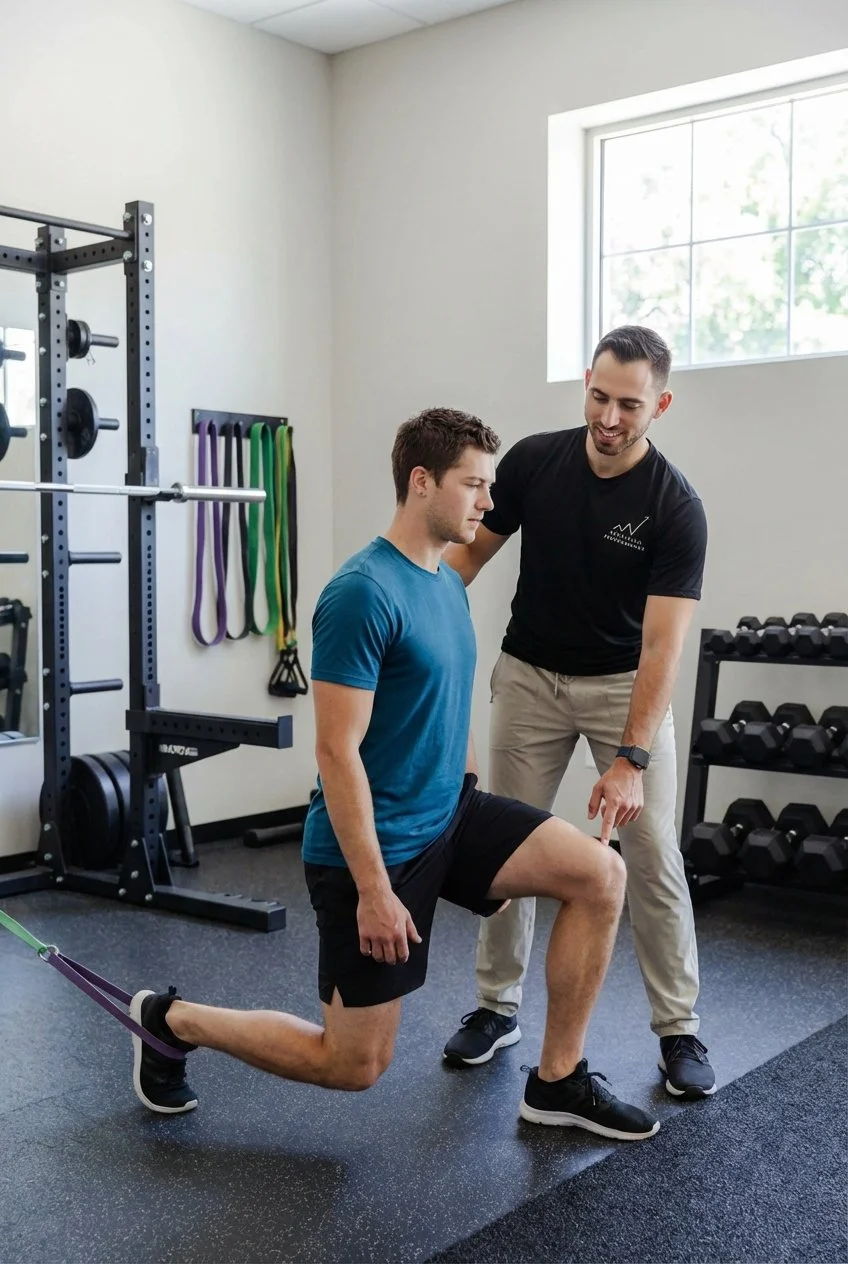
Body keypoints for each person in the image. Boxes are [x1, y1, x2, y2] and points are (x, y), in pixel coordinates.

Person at [130, 406, 660, 1141]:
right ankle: (171, 1020)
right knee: (353, 1064)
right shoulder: (361, 593)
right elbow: (335, 753)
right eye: (474, 485)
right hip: (375, 850)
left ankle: (557, 1082)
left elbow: (448, 707)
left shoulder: (445, 582)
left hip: (451, 816)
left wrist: (483, 834)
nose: (489, 502)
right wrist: (376, 892)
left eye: (489, 485)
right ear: (421, 482)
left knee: (600, 876)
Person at [442, 327, 716, 1100]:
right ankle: (497, 1006)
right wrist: (405, 616)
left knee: (651, 851)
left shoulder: (674, 506)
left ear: (660, 405)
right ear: (585, 386)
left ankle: (678, 1027)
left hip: (624, 687)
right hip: (529, 678)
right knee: (503, 840)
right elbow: (464, 559)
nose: (610, 417)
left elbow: (662, 646)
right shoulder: (534, 462)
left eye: (630, 404)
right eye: (599, 397)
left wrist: (632, 758)